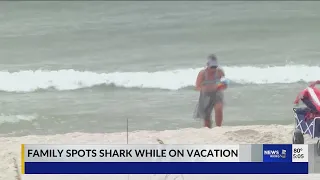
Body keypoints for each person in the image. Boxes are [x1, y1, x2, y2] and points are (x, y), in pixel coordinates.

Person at [193, 54, 227, 128]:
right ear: (208, 65)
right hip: (206, 95)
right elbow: (197, 87)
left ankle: (219, 127)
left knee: (219, 109)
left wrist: (221, 86)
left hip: (217, 94)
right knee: (207, 117)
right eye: (212, 67)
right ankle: (208, 129)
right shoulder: (202, 73)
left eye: (215, 67)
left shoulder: (220, 72)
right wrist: (204, 88)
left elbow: (225, 84)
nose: (214, 69)